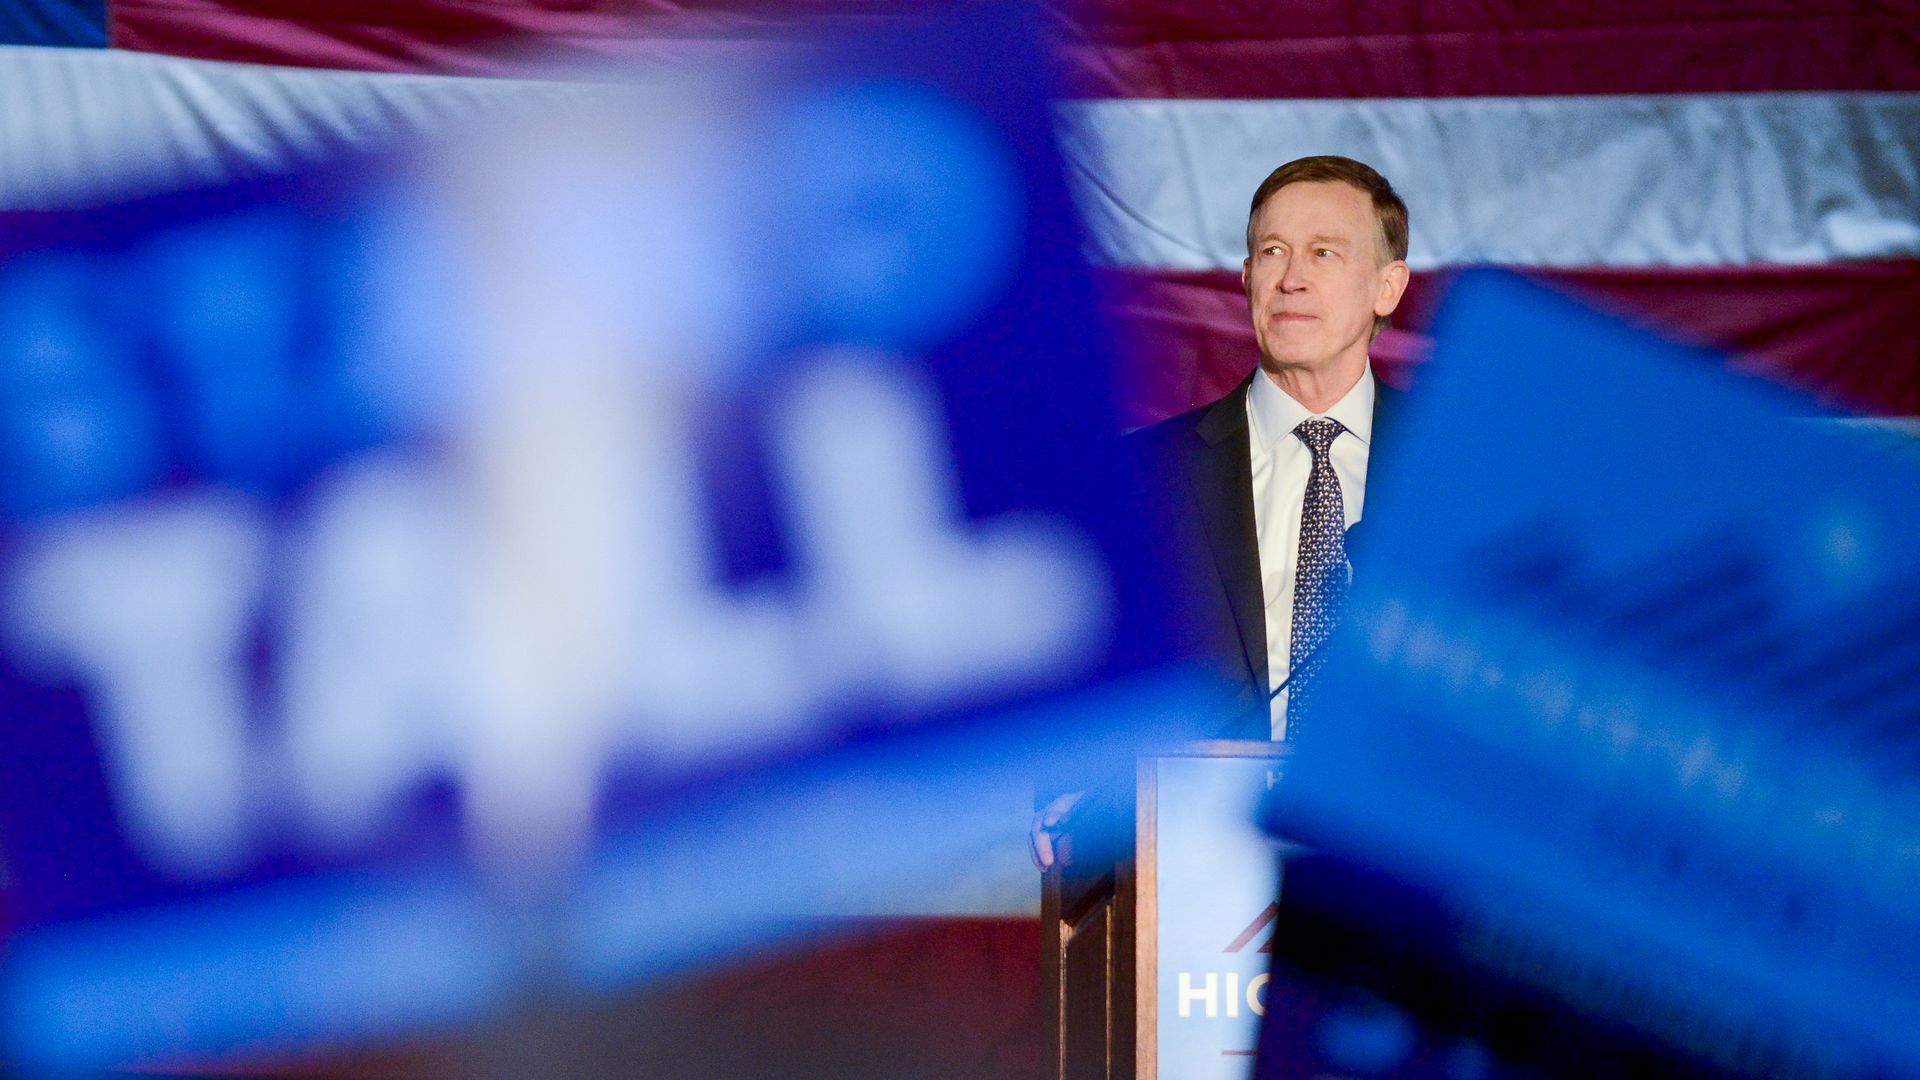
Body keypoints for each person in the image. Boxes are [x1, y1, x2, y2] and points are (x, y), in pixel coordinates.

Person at [1030, 155, 1411, 870]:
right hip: (1189, 886)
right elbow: (1075, 723)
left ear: (1386, 287)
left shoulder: (1446, 476)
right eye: (1271, 252)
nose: (1290, 277)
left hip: (1399, 899)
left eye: (1323, 253)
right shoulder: (1142, 480)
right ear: (1245, 278)